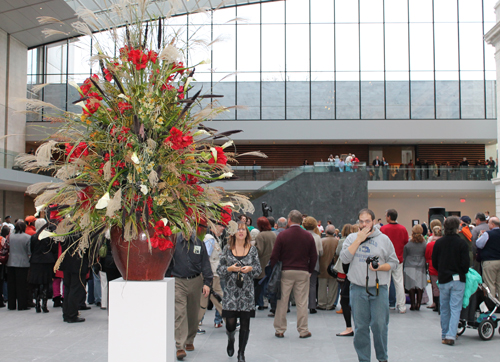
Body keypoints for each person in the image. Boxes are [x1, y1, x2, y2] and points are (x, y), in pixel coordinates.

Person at [340, 209, 398, 362]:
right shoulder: (352, 238)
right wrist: (358, 240)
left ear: (373, 221)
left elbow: (394, 263)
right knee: (360, 327)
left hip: (379, 289)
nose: (364, 224)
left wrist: (380, 267)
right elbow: (344, 259)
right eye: (361, 221)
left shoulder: (384, 239)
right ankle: (364, 359)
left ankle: (382, 358)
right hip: (357, 289)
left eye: (367, 221)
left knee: (379, 326)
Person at [217, 221, 261, 362]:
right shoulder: (227, 249)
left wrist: (250, 269)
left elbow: (259, 270)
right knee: (230, 323)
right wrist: (230, 269)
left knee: (245, 324)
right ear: (233, 233)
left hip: (247, 293)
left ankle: (241, 353)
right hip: (230, 293)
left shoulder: (253, 250)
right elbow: (219, 270)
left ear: (247, 233)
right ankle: (231, 338)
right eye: (238, 229)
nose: (241, 232)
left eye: (243, 229)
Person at [270, 210, 317, 339]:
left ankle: (280, 329)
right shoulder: (308, 236)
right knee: (302, 302)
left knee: (282, 300)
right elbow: (314, 256)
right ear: (301, 221)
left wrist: (274, 270)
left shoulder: (283, 235)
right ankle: (303, 330)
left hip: (286, 271)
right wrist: (310, 270)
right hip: (302, 271)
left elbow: (274, 255)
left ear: (289, 220)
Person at [167, 231, 212, 361]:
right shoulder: (174, 242)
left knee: (193, 313)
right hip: (178, 281)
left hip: (195, 281)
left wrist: (207, 282)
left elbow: (205, 263)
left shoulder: (199, 242)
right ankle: (179, 345)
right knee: (180, 313)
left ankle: (190, 339)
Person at [432, 216, 470, 346]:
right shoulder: (462, 243)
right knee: (455, 308)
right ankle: (451, 335)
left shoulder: (439, 243)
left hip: (443, 279)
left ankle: (444, 333)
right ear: (457, 227)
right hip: (458, 279)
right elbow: (466, 264)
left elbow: (435, 262)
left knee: (444, 308)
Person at [380, 209, 408, 313]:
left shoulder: (383, 229)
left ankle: (383, 305)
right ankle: (401, 306)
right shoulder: (403, 229)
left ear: (389, 217)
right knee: (399, 283)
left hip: (386, 260)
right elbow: (405, 242)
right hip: (398, 259)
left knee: (385, 283)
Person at [198, 224, 225, 329]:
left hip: (212, 274)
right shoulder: (210, 239)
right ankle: (230, 319)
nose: (223, 228)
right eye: (220, 226)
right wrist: (208, 275)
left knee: (207, 300)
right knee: (218, 298)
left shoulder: (213, 238)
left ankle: (195, 324)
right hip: (212, 275)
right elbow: (206, 257)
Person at [29, 219, 56, 313]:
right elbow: (53, 249)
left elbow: (31, 249)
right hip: (47, 261)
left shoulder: (33, 237)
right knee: (45, 283)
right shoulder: (49, 237)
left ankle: (37, 304)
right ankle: (44, 305)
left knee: (36, 283)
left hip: (35, 262)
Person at [475, 216, 500, 311]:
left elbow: (479, 244)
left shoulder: (488, 234)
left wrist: (481, 236)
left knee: (490, 284)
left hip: (490, 261)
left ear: (493, 224)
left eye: (489, 223)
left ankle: (492, 305)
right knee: (499, 283)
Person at [6, 221, 31, 311]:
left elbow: (7, 246)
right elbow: (29, 251)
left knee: (11, 284)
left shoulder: (10, 236)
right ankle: (22, 304)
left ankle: (11, 305)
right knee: (22, 285)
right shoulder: (27, 237)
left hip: (11, 262)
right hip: (23, 263)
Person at [254, 217, 276, 310]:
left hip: (262, 262)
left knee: (260, 284)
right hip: (272, 262)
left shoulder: (260, 236)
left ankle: (261, 303)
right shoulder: (274, 234)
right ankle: (270, 301)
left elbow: (259, 250)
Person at [403, 225, 427, 311]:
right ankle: (418, 304)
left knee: (411, 286)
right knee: (420, 286)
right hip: (421, 265)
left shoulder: (408, 243)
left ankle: (412, 304)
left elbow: (405, 255)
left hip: (409, 265)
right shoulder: (424, 243)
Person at [302, 217, 323, 314]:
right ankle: (312, 306)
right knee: (312, 284)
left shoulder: (301, 235)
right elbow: (320, 252)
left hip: (302, 262)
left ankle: (301, 305)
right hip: (314, 262)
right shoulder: (317, 237)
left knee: (301, 285)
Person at [318, 224, 338, 311]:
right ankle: (330, 304)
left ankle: (322, 304)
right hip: (334, 267)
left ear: (325, 231)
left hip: (322, 266)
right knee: (333, 286)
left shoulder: (321, 241)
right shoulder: (338, 242)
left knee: (322, 286)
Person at [425, 224, 442, 313]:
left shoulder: (430, 244)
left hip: (432, 266)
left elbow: (427, 255)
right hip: (443, 266)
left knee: (435, 286)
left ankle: (436, 303)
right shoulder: (444, 243)